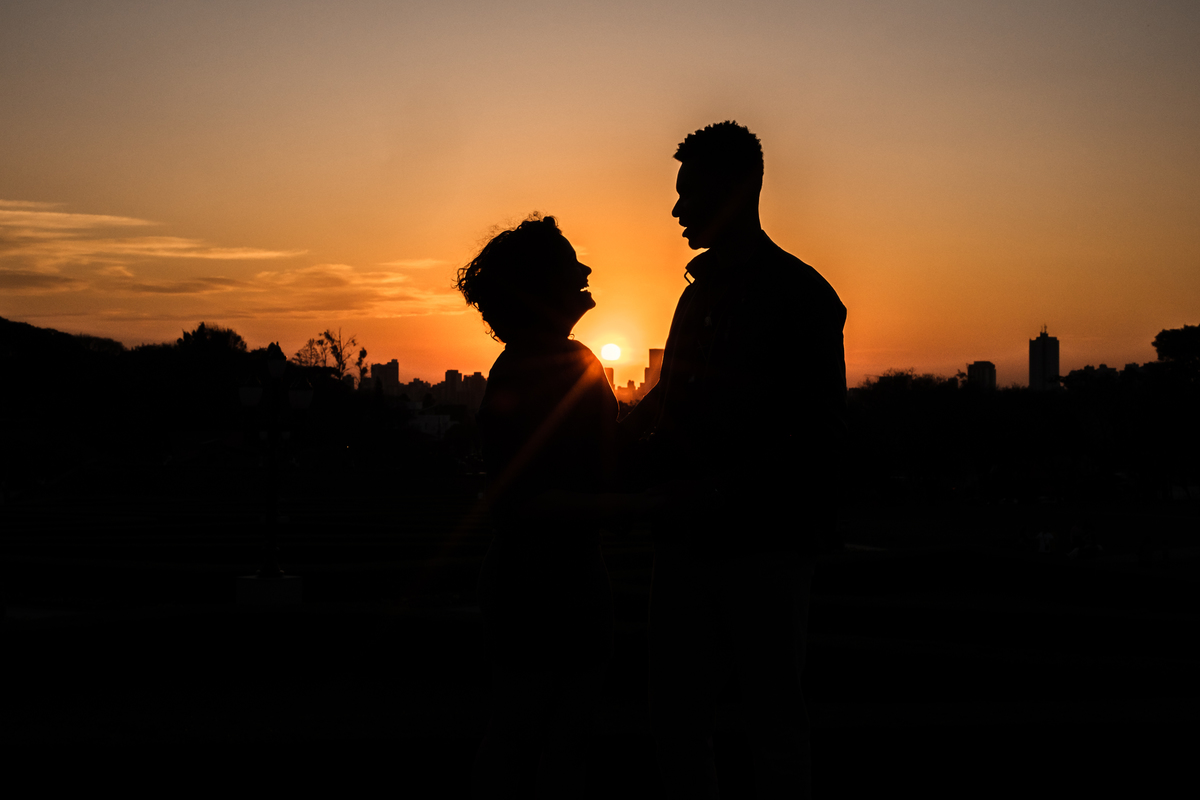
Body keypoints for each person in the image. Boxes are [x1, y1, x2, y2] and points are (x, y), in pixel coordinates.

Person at [620, 121, 847, 799]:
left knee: (769, 723)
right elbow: (669, 407)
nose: (677, 209)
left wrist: (706, 491)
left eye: (690, 191)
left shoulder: (800, 296)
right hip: (694, 541)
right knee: (678, 720)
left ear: (737, 189)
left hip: (762, 546)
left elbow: (813, 434)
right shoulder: (703, 293)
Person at [458, 214, 651, 799]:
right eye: (571, 263)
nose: (586, 270)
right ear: (542, 285)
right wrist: (649, 504)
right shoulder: (537, 366)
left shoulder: (568, 359)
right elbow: (529, 500)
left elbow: (598, 458)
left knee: (559, 734)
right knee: (531, 733)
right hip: (539, 580)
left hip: (564, 574)